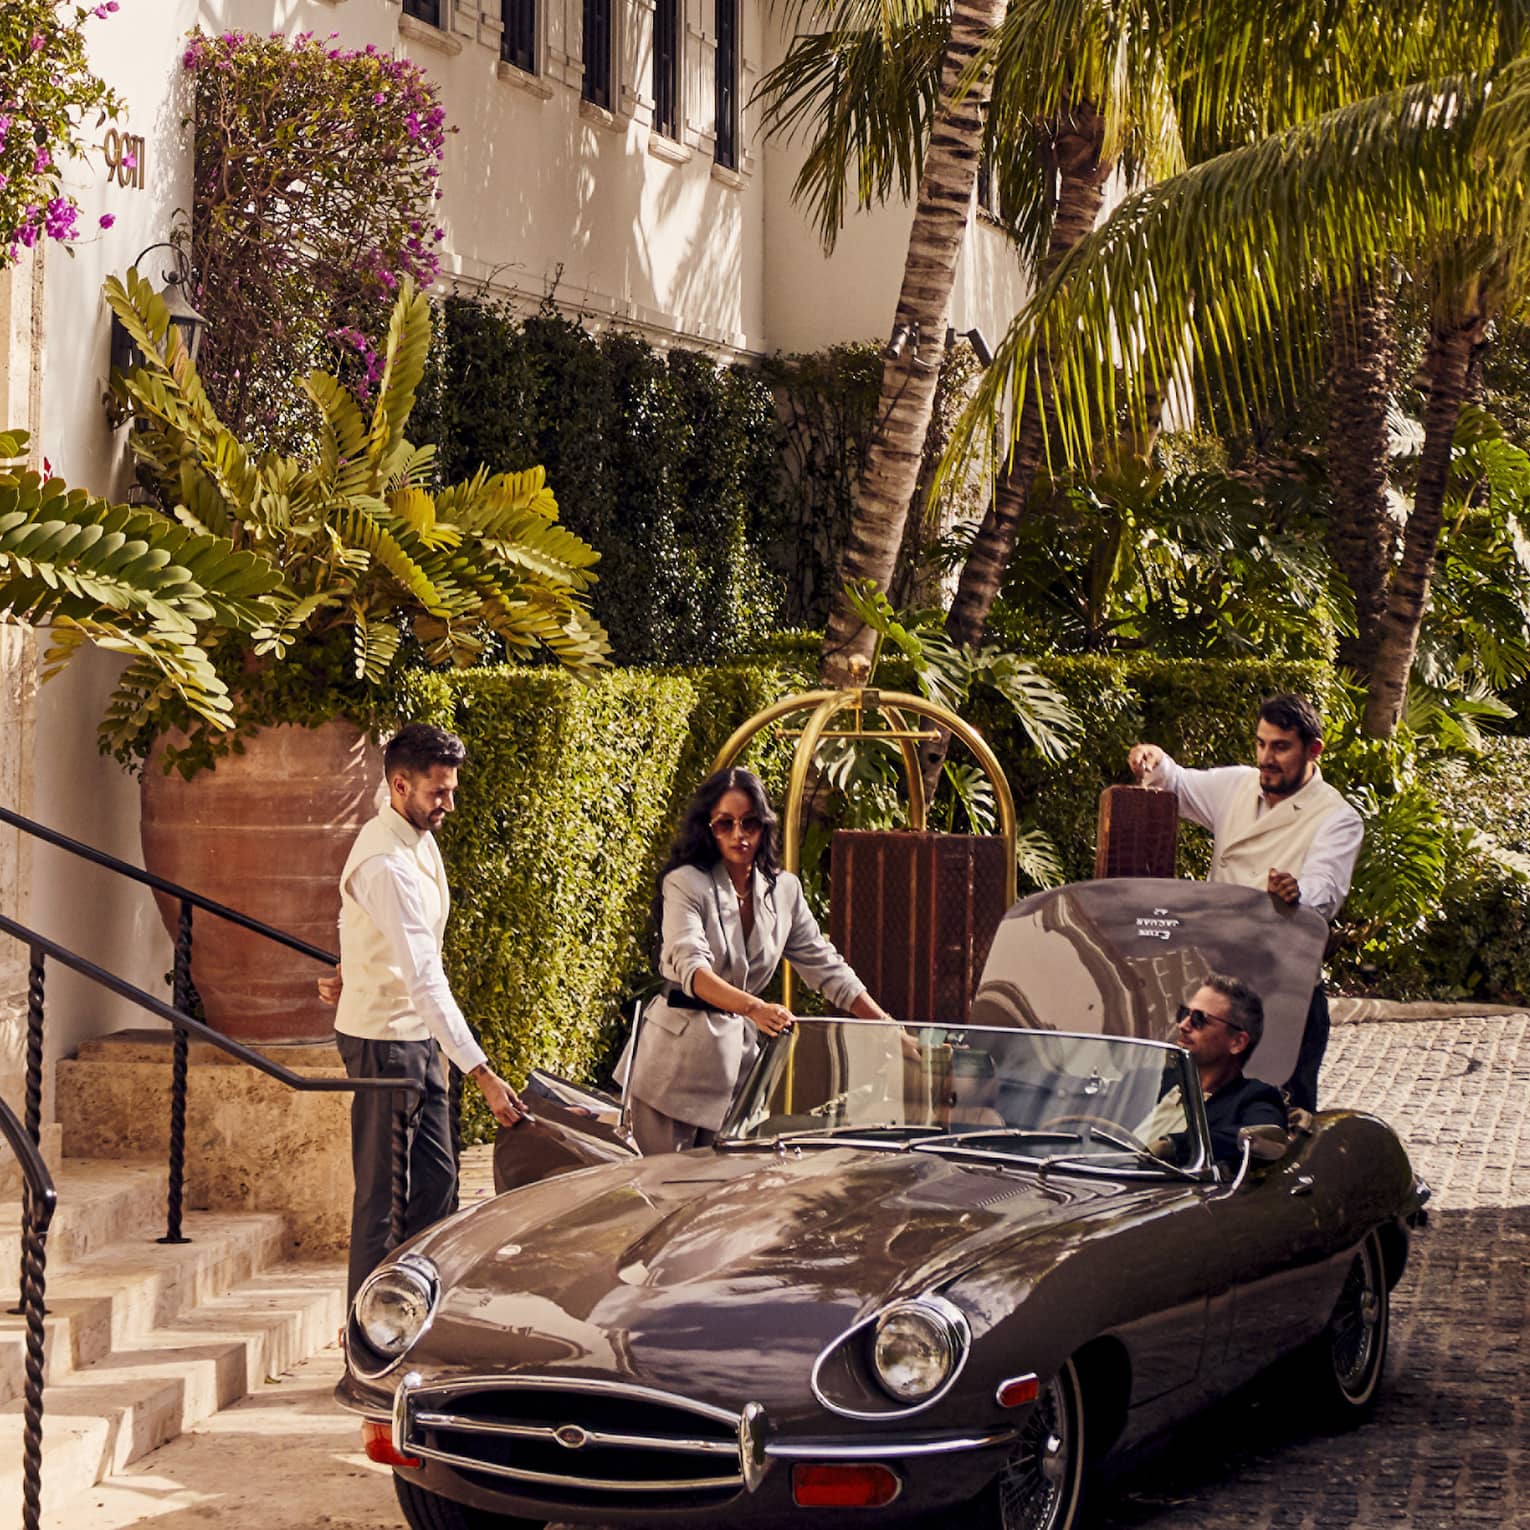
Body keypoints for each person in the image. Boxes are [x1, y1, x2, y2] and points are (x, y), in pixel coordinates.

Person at [325, 723, 527, 1304]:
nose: (449, 804)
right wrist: (481, 1072)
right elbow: (423, 975)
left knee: (437, 1183)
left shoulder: (410, 831)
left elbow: (362, 919)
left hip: (416, 1036)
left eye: (451, 790)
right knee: (382, 1201)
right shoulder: (384, 862)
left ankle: (412, 1313)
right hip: (382, 1040)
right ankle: (365, 1334)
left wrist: (350, 964)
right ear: (400, 786)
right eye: (439, 792)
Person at [622, 767, 888, 1156]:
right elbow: (692, 968)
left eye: (749, 823)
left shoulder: (784, 890)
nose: (739, 835)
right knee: (660, 1187)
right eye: (724, 824)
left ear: (764, 826)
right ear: (708, 828)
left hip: (738, 1075)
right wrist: (755, 1008)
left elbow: (826, 966)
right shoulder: (686, 882)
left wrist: (887, 1029)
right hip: (671, 1072)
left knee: (728, 1188)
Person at [1126, 693, 1362, 1111]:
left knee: (1278, 1119)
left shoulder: (1337, 817)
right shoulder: (1236, 784)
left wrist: (1296, 892)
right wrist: (1153, 759)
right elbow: (1176, 782)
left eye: (1281, 747)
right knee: (1184, 1109)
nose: (1266, 758)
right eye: (1261, 744)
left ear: (1314, 750)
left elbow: (1325, 890)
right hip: (1217, 989)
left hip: (1285, 994)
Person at [1142, 976, 1287, 1166]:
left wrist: (1173, 1146)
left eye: (1198, 1019)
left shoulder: (1253, 1098)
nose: (1183, 1025)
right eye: (1183, 1013)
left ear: (1237, 1042)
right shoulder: (1151, 1079)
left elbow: (1266, 1139)